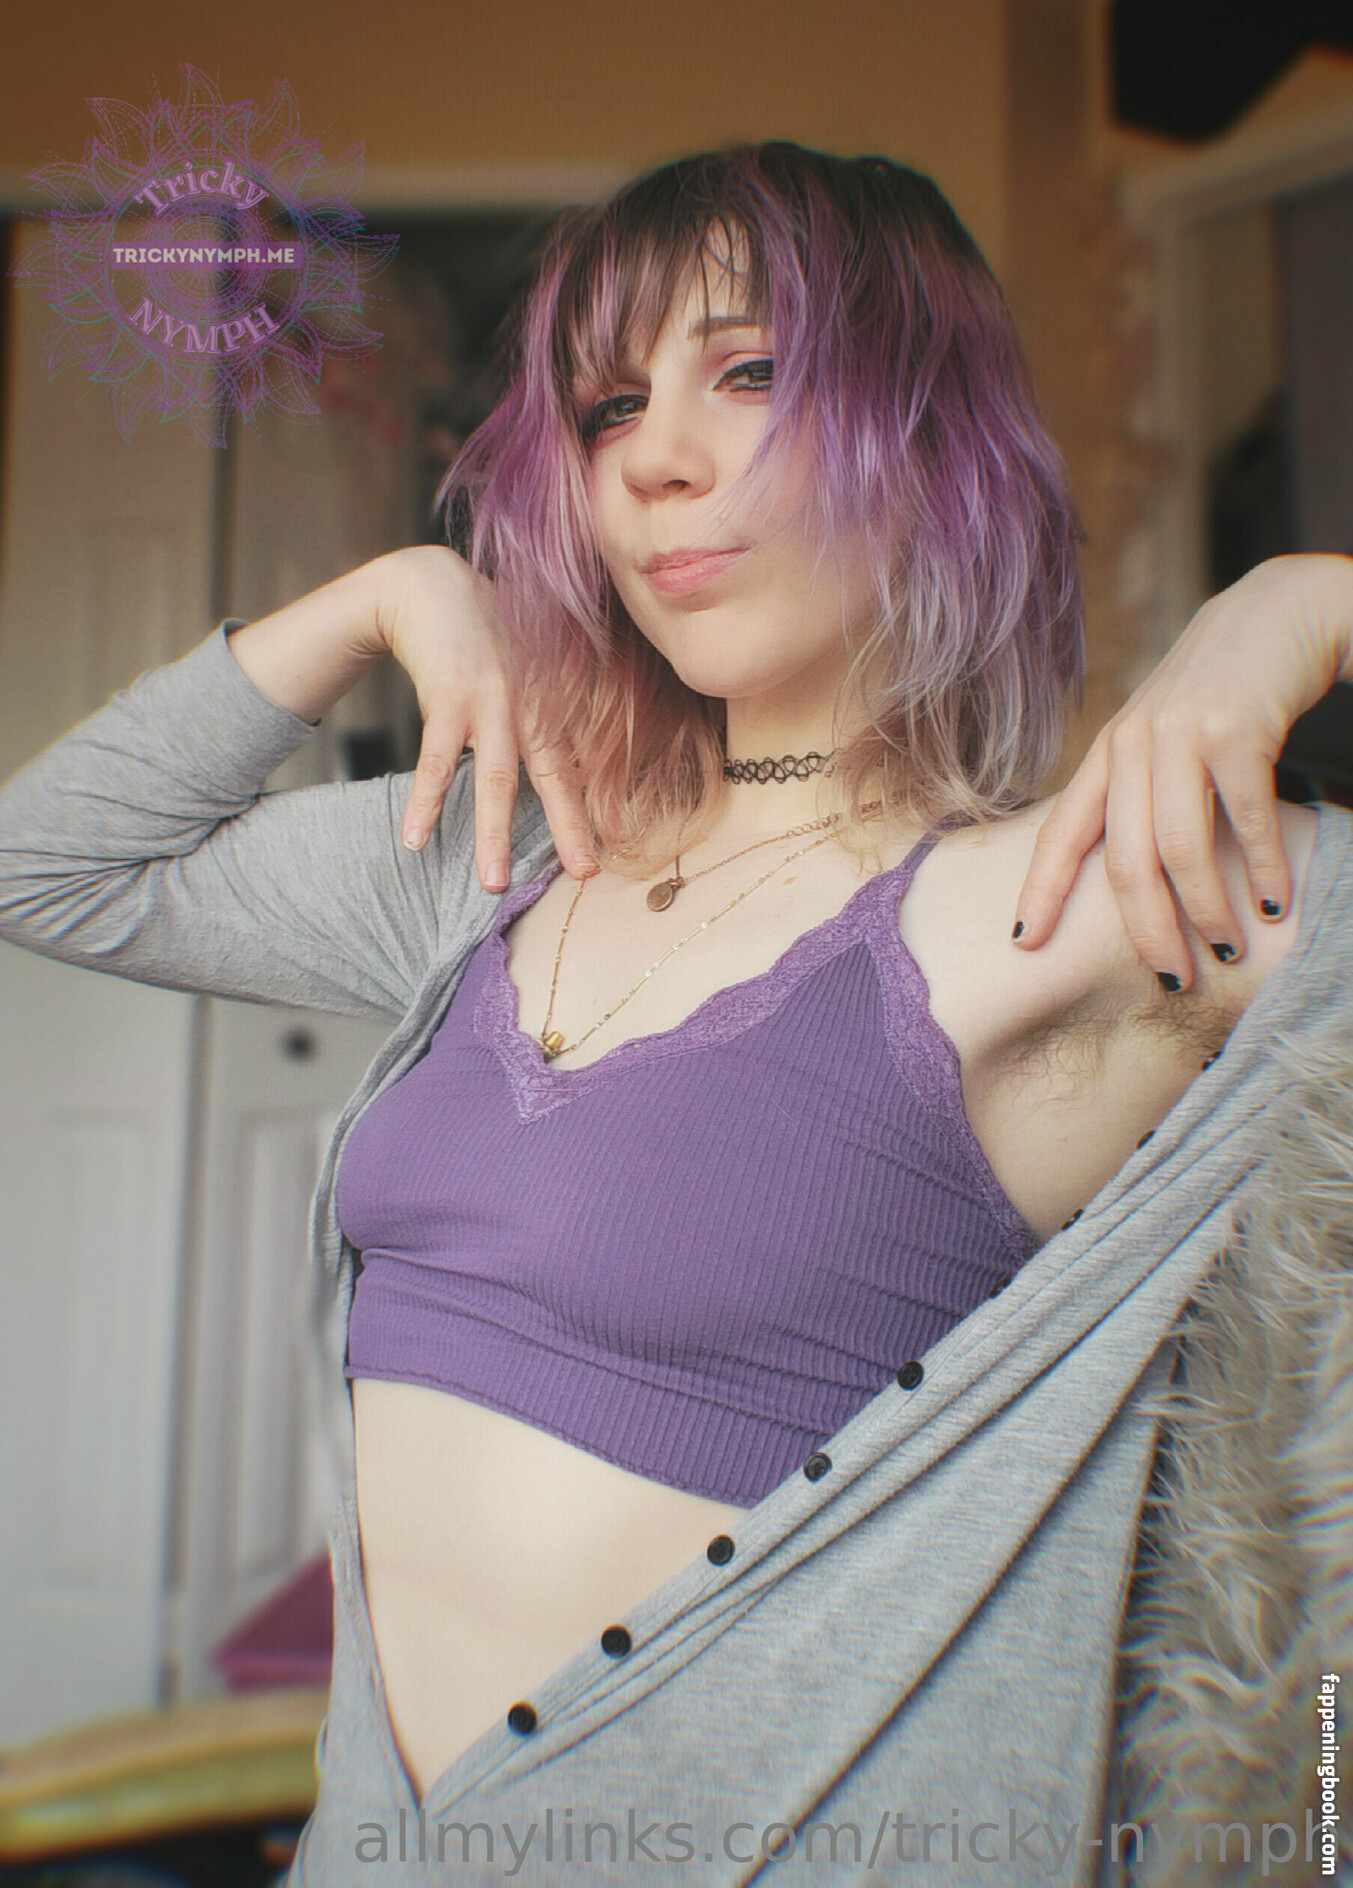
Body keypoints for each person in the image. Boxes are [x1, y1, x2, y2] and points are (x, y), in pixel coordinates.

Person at [0, 143, 1349, 1885]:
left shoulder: (1068, 908)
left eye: (751, 371)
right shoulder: (494, 855)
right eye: (610, 406)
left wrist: (1295, 607)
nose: (654, 458)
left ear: (931, 437)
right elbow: (46, 866)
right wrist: (382, 596)